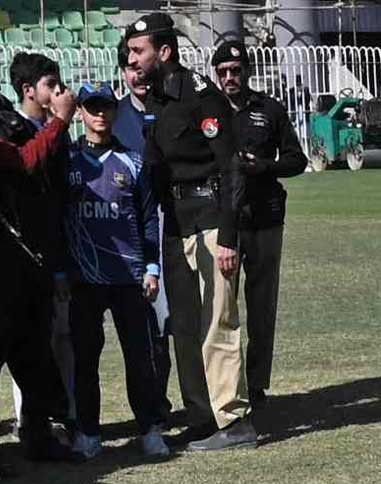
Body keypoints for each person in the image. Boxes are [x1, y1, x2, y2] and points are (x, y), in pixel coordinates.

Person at [124, 13, 256, 451]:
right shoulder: (157, 100)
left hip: (212, 219)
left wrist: (230, 237)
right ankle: (201, 418)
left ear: (164, 52)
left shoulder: (203, 97)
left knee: (218, 321)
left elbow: (231, 167)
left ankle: (233, 420)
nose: (132, 59)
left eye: (139, 51)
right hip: (176, 223)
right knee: (182, 325)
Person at [62, 82, 167, 459]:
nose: (100, 114)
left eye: (105, 106)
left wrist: (152, 267)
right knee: (86, 358)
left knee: (139, 357)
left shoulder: (133, 162)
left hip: (129, 275)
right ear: (80, 112)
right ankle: (89, 434)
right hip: (84, 277)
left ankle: (150, 430)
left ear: (114, 110)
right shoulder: (67, 161)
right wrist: (61, 272)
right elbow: (58, 218)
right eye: (92, 107)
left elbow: (148, 218)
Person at [213, 40, 306, 407]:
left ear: (247, 72)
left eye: (235, 71)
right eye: (223, 72)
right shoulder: (209, 111)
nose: (229, 78)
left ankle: (256, 384)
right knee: (223, 307)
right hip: (226, 223)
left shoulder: (269, 109)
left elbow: (297, 159)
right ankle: (227, 385)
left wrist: (265, 166)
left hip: (266, 219)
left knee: (262, 306)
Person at [3, 55, 77, 461]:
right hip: (14, 258)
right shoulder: (14, 127)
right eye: (50, 83)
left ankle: (40, 433)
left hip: (30, 258)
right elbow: (25, 162)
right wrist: (60, 121)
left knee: (32, 347)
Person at [113, 40, 175, 426]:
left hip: (176, 217)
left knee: (178, 319)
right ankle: (155, 404)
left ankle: (197, 404)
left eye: (140, 67)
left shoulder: (170, 108)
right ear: (123, 72)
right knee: (150, 323)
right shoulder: (113, 117)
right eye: (129, 68)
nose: (137, 75)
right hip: (135, 231)